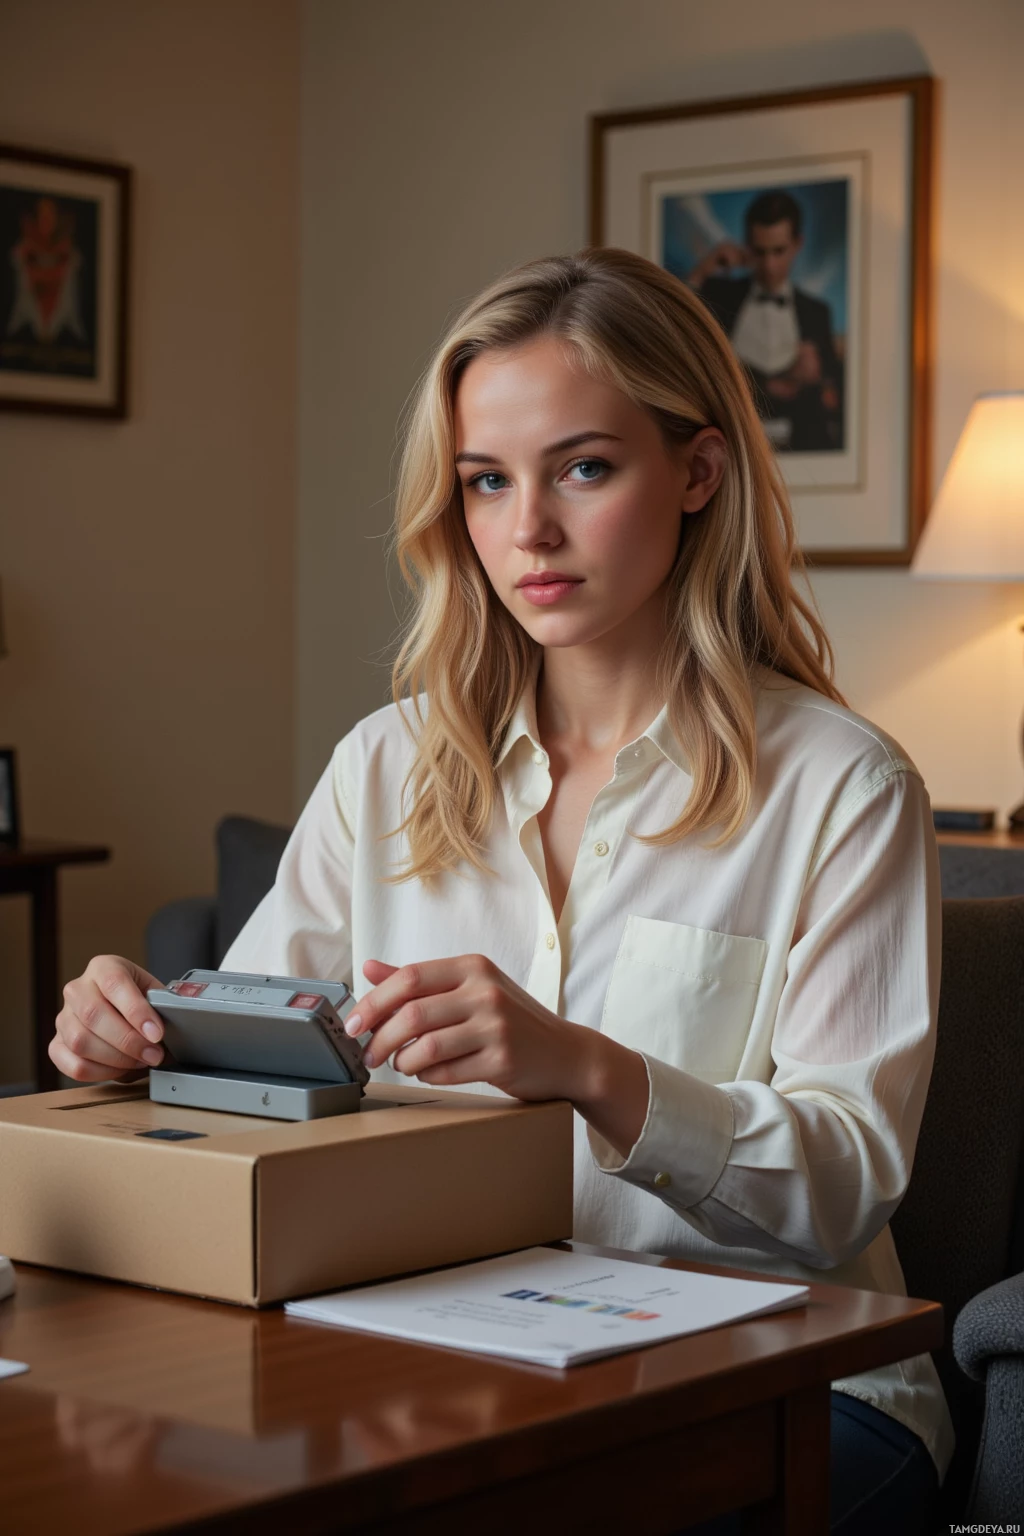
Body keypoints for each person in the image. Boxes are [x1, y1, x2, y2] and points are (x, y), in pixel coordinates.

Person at [50, 247, 952, 1533]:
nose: (525, 529)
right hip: (441, 1369)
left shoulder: (842, 787)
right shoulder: (387, 764)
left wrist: (586, 1065)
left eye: (583, 467)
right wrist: (138, 1034)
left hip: (786, 1386)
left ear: (697, 472)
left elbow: (845, 1181)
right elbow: (254, 1058)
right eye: (485, 481)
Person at [686, 189, 843, 453]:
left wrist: (817, 377)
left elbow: (835, 388)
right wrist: (704, 269)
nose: (769, 264)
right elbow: (676, 330)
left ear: (797, 244)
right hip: (733, 446)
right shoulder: (719, 297)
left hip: (804, 448)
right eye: (760, 252)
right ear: (747, 246)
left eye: (779, 251)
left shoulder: (816, 312)